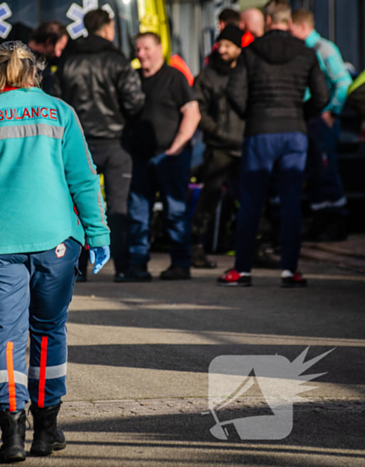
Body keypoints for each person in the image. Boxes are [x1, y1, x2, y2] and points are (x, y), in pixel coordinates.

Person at [0, 41, 110, 463]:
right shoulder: (59, 112)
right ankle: (46, 430)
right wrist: (98, 234)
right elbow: (83, 179)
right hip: (55, 240)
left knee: (6, 338)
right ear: (35, 71)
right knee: (48, 332)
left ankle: (12, 433)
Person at [220, 0, 329, 288]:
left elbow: (234, 92)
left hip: (259, 132)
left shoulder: (251, 52)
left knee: (251, 202)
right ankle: (289, 271)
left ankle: (242, 270)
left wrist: (253, 114)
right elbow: (322, 96)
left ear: (268, 21)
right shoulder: (306, 53)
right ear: (289, 22)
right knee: (292, 201)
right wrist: (299, 115)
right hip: (294, 133)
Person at [57, 8, 145, 281]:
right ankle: (123, 269)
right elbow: (135, 101)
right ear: (108, 28)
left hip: (79, 143)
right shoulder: (117, 60)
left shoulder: (69, 61)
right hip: (116, 143)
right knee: (118, 207)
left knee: (79, 205)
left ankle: (78, 268)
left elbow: (58, 101)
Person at [121, 32, 201, 282]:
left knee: (175, 211)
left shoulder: (173, 77)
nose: (141, 54)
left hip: (171, 157)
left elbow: (193, 113)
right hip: (139, 157)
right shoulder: (132, 78)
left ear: (160, 48)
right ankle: (137, 265)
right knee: (138, 213)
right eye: (137, 49)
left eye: (146, 48)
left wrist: (176, 147)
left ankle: (180, 264)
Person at [291, 9, 353, 242]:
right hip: (310, 120)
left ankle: (337, 221)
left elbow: (343, 82)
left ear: (301, 27)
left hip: (322, 121)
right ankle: (320, 221)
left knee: (327, 171)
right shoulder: (303, 50)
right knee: (314, 172)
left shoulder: (323, 49)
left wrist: (332, 111)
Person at [191, 25, 245, 269]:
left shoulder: (247, 73)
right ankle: (194, 246)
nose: (222, 49)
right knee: (208, 198)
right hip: (219, 148)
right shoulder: (207, 76)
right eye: (220, 44)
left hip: (243, 146)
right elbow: (198, 111)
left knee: (251, 199)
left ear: (238, 48)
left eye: (228, 45)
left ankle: (257, 245)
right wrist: (217, 133)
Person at [28, 20, 69, 95]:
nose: (58, 54)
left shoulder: (48, 62)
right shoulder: (23, 61)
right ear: (48, 42)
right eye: (59, 49)